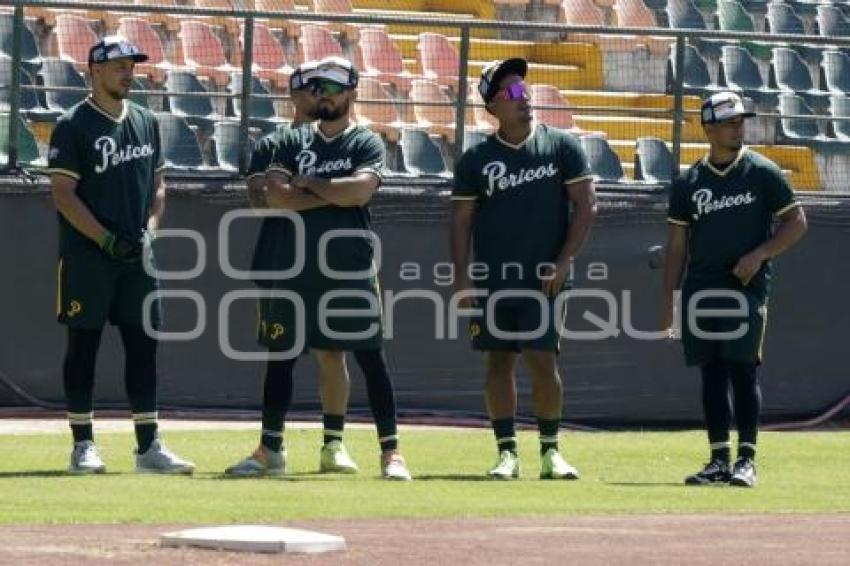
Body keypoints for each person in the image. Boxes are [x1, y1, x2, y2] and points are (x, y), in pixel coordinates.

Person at [225, 57, 411, 480]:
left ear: (351, 92)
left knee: (367, 356)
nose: (322, 95)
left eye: (332, 88)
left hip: (349, 265)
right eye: (317, 88)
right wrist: (334, 194)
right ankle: (270, 448)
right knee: (282, 355)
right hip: (291, 264)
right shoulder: (291, 142)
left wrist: (311, 184)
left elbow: (361, 190)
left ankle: (389, 453)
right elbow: (274, 196)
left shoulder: (366, 142)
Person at [47, 36, 195, 474]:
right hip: (87, 257)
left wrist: (150, 229)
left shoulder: (147, 121)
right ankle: (83, 444)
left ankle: (149, 446)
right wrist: (105, 239)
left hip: (138, 259)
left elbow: (159, 186)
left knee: (143, 349)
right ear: (93, 70)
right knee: (83, 347)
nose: (129, 72)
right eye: (118, 66)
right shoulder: (73, 125)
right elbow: (63, 195)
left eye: (132, 65)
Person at [450, 59, 597, 480]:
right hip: (494, 279)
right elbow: (460, 221)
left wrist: (565, 260)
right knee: (498, 363)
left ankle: (551, 452)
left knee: (542, 360)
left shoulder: (561, 146)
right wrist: (461, 279)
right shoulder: (477, 159)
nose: (525, 98)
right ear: (492, 106)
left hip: (544, 279)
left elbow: (586, 205)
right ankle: (507, 453)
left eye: (526, 90)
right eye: (512, 93)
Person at [662, 91, 807, 488]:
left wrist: (759, 255)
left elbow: (796, 222)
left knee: (743, 371)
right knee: (710, 373)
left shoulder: (762, 172)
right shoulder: (689, 182)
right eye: (729, 122)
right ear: (707, 128)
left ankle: (747, 460)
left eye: (740, 121)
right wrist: (671, 300)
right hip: (701, 288)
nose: (737, 128)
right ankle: (717, 460)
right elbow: (677, 246)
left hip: (745, 289)